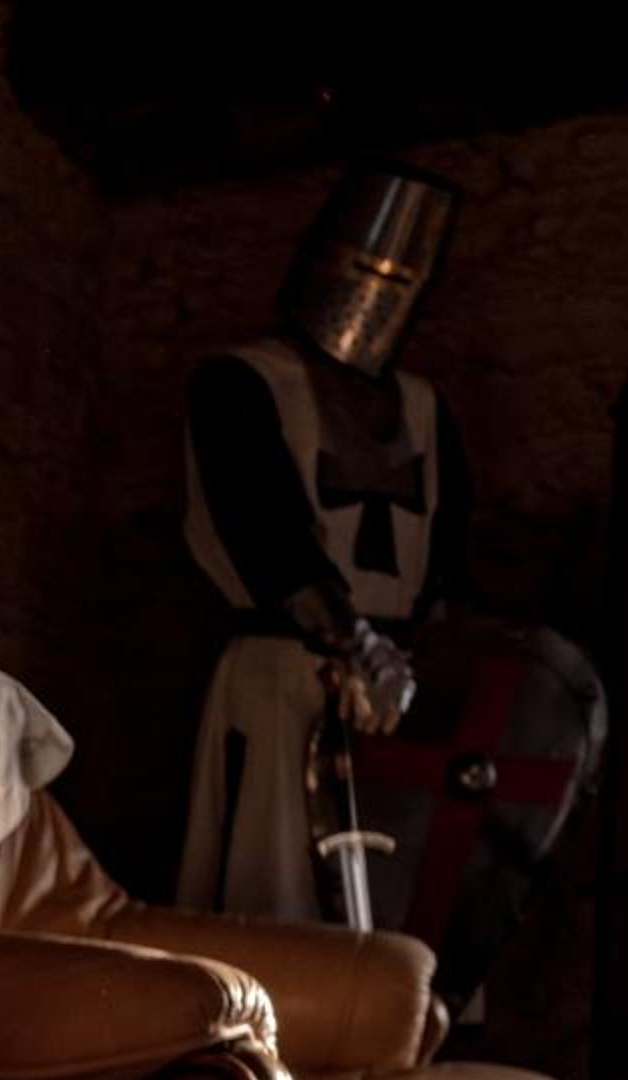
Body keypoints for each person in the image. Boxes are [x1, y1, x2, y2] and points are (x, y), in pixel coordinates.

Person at [177, 163, 469, 919]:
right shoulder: (241, 383)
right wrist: (355, 645)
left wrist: (409, 663)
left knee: (394, 903)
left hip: (398, 693)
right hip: (286, 679)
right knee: (273, 894)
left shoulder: (425, 409)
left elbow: (447, 555)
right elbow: (263, 533)